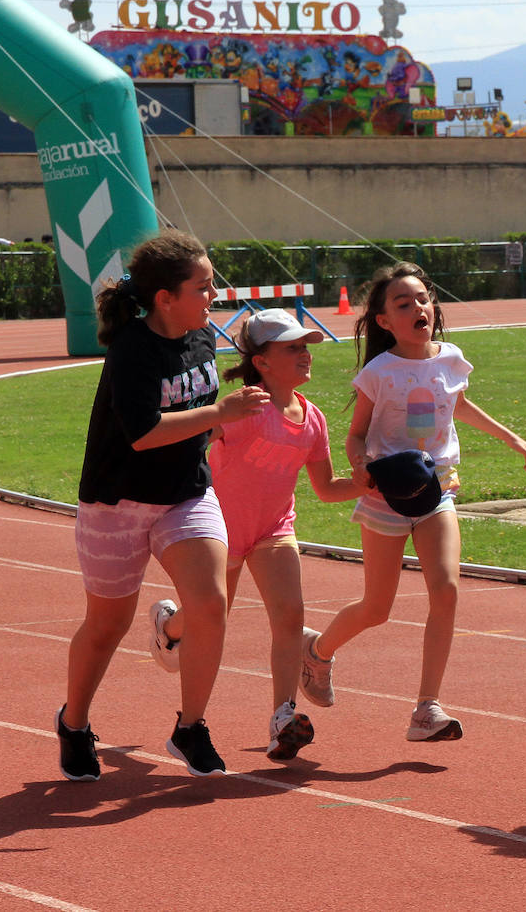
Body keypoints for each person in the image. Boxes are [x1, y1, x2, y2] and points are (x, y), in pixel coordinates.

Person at [56, 230, 271, 781]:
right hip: (117, 500)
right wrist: (221, 415)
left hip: (184, 494)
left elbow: (197, 415)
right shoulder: (132, 347)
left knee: (210, 603)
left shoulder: (202, 339)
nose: (214, 296)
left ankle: (190, 727)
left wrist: (224, 426)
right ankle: (74, 724)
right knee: (108, 625)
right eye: (203, 287)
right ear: (164, 298)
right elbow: (145, 432)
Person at [299, 262, 526, 742]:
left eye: (422, 300)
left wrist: (511, 438)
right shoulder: (380, 371)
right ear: (384, 321)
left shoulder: (450, 358)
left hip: (437, 493)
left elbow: (459, 404)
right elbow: (357, 435)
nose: (417, 309)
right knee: (377, 607)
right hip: (386, 496)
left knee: (446, 589)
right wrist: (362, 465)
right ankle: (317, 653)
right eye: (403, 304)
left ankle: (426, 709)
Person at [149, 308, 363, 761]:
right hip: (220, 531)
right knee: (206, 616)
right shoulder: (246, 406)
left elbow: (325, 489)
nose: (305, 355)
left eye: (305, 346)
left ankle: (282, 717)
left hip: (273, 529)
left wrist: (371, 482)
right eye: (292, 348)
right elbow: (193, 441)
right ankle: (168, 628)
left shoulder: (313, 419)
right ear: (262, 361)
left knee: (289, 616)